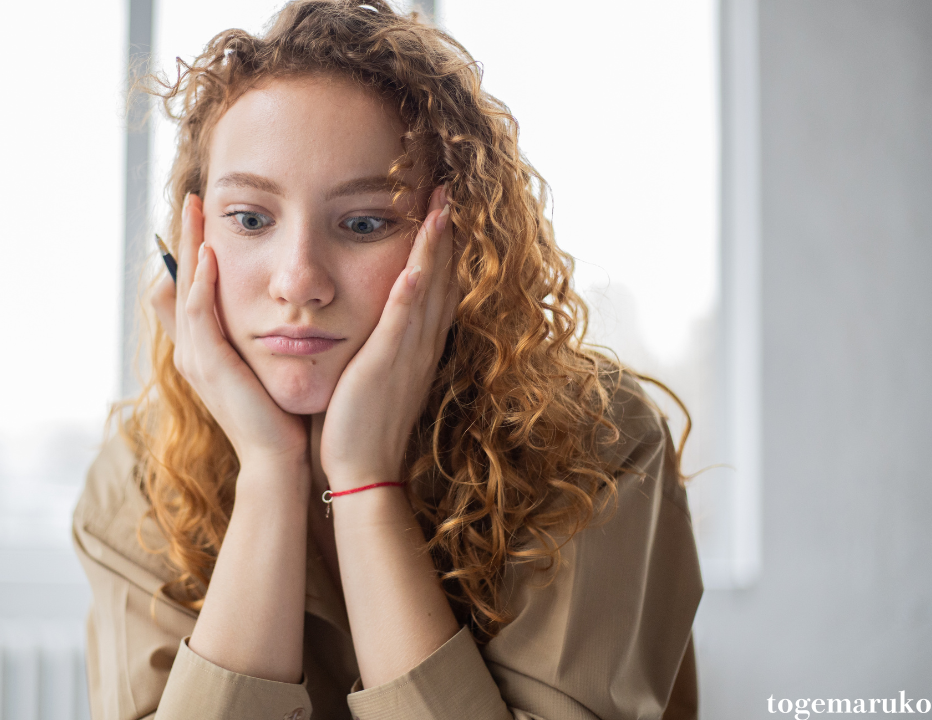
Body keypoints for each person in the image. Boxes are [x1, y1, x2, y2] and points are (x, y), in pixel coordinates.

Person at [72, 2, 703, 718]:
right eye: (251, 219)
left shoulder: (596, 444)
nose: (299, 280)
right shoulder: (140, 471)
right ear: (190, 247)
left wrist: (367, 486)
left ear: (459, 246)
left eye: (365, 223)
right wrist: (271, 472)